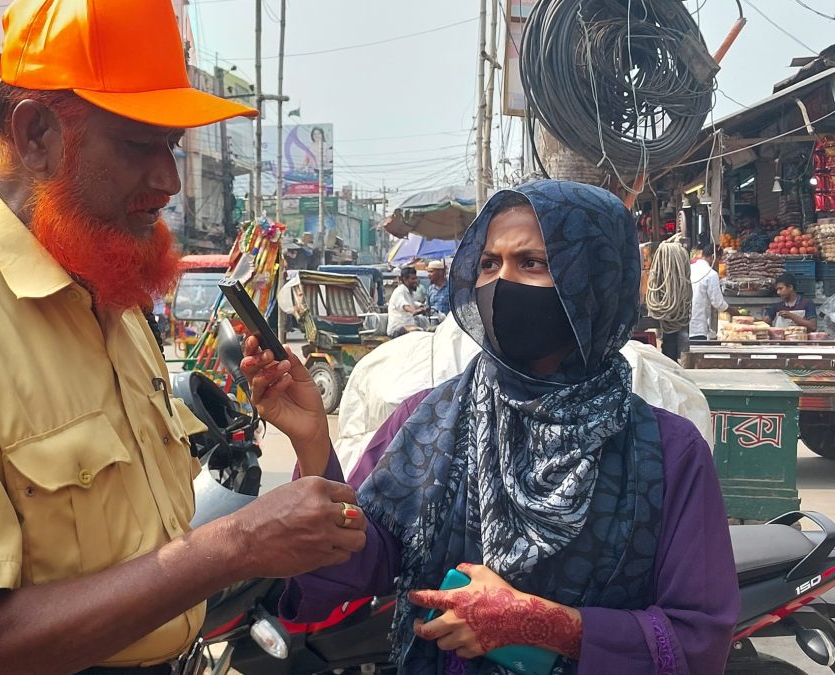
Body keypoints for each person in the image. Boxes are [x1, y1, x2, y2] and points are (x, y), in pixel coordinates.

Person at [0, 1, 365, 673]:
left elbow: (151, 555)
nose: (169, 180)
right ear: (36, 135)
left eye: (171, 147)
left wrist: (307, 445)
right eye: (140, 143)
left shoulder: (111, 301)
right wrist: (235, 546)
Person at [242, 181, 738, 674]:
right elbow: (358, 561)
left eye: (532, 263)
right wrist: (311, 442)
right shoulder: (428, 419)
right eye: (488, 264)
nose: (502, 283)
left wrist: (552, 626)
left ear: (593, 279)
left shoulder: (664, 451)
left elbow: (698, 640)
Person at [689, 248, 728, 340]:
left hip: (684, 326)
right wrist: (733, 311)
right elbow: (718, 303)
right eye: (719, 260)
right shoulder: (711, 274)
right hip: (697, 328)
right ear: (713, 257)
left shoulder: (690, 268)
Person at [388, 266, 427, 337]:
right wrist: (413, 311)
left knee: (426, 331)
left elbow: (412, 303)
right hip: (397, 328)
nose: (416, 281)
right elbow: (404, 305)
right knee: (417, 332)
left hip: (408, 326)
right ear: (404, 279)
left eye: (416, 278)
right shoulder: (400, 291)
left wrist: (422, 306)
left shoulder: (409, 292)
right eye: (413, 279)